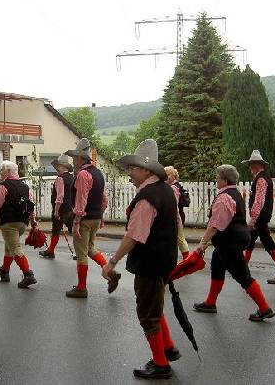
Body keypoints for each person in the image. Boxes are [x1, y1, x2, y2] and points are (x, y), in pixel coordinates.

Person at [102, 139, 180, 379]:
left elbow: (134, 235)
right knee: (155, 304)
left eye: (133, 168)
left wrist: (112, 261)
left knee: (147, 311)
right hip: (164, 259)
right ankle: (168, 347)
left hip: (150, 262)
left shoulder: (147, 198)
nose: (129, 172)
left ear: (147, 170)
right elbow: (176, 223)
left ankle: (160, 363)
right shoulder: (166, 190)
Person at [193, 164, 275, 322]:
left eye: (217, 176)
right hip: (231, 241)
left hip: (230, 243)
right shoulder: (234, 193)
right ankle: (210, 303)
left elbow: (215, 225)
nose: (216, 179)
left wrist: (202, 244)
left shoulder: (224, 198)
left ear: (225, 179)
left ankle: (265, 308)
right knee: (217, 265)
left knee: (243, 276)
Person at [64, 138, 119, 298]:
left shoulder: (83, 174)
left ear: (81, 158)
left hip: (84, 219)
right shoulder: (98, 173)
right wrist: (101, 216)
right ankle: (110, 272)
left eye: (74, 158)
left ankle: (81, 288)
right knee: (90, 248)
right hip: (95, 218)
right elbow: (104, 199)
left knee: (81, 253)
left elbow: (81, 199)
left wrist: (76, 221)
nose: (73, 161)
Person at [0, 161, 38, 288]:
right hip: (22, 223)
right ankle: (4, 271)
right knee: (9, 246)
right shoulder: (25, 187)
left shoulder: (4, 186)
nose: (0, 173)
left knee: (15, 248)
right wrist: (33, 221)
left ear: (8, 172)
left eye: (2, 170)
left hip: (9, 222)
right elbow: (30, 205)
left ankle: (28, 274)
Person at [242, 150, 275, 284]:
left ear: (257, 165)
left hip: (260, 218)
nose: (250, 168)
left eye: (251, 165)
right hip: (260, 218)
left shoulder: (261, 179)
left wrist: (253, 220)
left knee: (267, 242)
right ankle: (243, 268)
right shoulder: (261, 178)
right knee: (250, 241)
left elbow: (259, 201)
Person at [39, 154, 74, 259]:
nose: (56, 168)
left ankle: (50, 251)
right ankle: (80, 251)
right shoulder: (72, 178)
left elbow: (60, 196)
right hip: (70, 208)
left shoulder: (60, 179)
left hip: (61, 209)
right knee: (74, 230)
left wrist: (56, 210)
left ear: (63, 167)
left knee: (56, 230)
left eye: (58, 166)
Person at [164, 166, 190, 260]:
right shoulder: (176, 186)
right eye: (165, 175)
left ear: (174, 175)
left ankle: (186, 260)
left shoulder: (173, 188)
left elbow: (173, 206)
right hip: (178, 215)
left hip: (176, 217)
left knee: (178, 238)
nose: (166, 177)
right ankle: (186, 259)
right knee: (179, 238)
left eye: (168, 175)